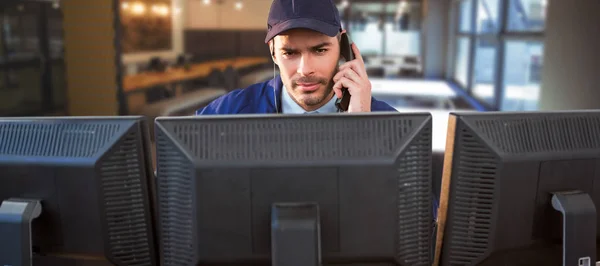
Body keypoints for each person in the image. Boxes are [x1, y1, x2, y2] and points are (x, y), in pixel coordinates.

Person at [196, 0, 397, 115]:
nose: (305, 69)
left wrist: (365, 130)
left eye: (320, 51)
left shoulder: (389, 124)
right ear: (273, 52)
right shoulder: (228, 113)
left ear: (344, 49)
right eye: (290, 53)